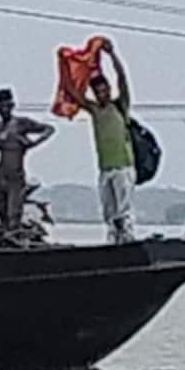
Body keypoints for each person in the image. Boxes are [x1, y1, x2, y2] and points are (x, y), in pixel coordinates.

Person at [75, 42, 138, 244]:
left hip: (123, 167)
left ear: (109, 90)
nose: (103, 95)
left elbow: (122, 78)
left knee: (123, 209)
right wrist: (75, 67)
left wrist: (112, 55)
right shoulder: (95, 110)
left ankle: (127, 239)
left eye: (105, 90)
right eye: (98, 92)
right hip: (105, 169)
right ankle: (112, 240)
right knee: (109, 211)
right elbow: (76, 95)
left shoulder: (120, 105)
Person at [0, 87, 55, 238]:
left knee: (13, 214)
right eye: (1, 107)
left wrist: (33, 143)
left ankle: (14, 238)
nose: (4, 110)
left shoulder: (21, 123)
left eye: (7, 106)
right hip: (1, 175)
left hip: (15, 176)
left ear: (11, 106)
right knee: (1, 212)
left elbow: (49, 129)